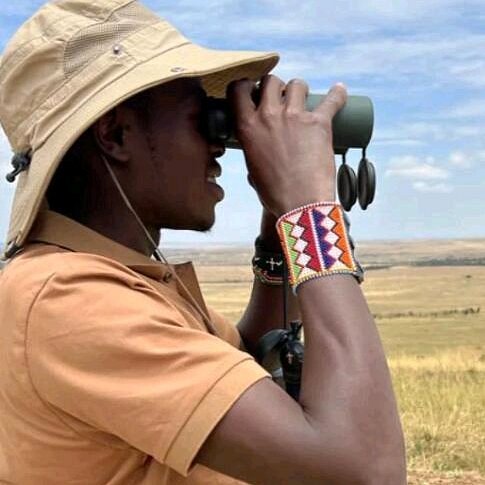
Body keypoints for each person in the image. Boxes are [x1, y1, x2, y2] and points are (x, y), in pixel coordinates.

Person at [0, 1, 406, 484]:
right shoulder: (70, 299)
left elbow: (245, 362)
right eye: (205, 119)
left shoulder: (116, 276)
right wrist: (313, 220)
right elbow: (365, 469)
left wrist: (280, 237)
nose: (221, 145)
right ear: (115, 133)